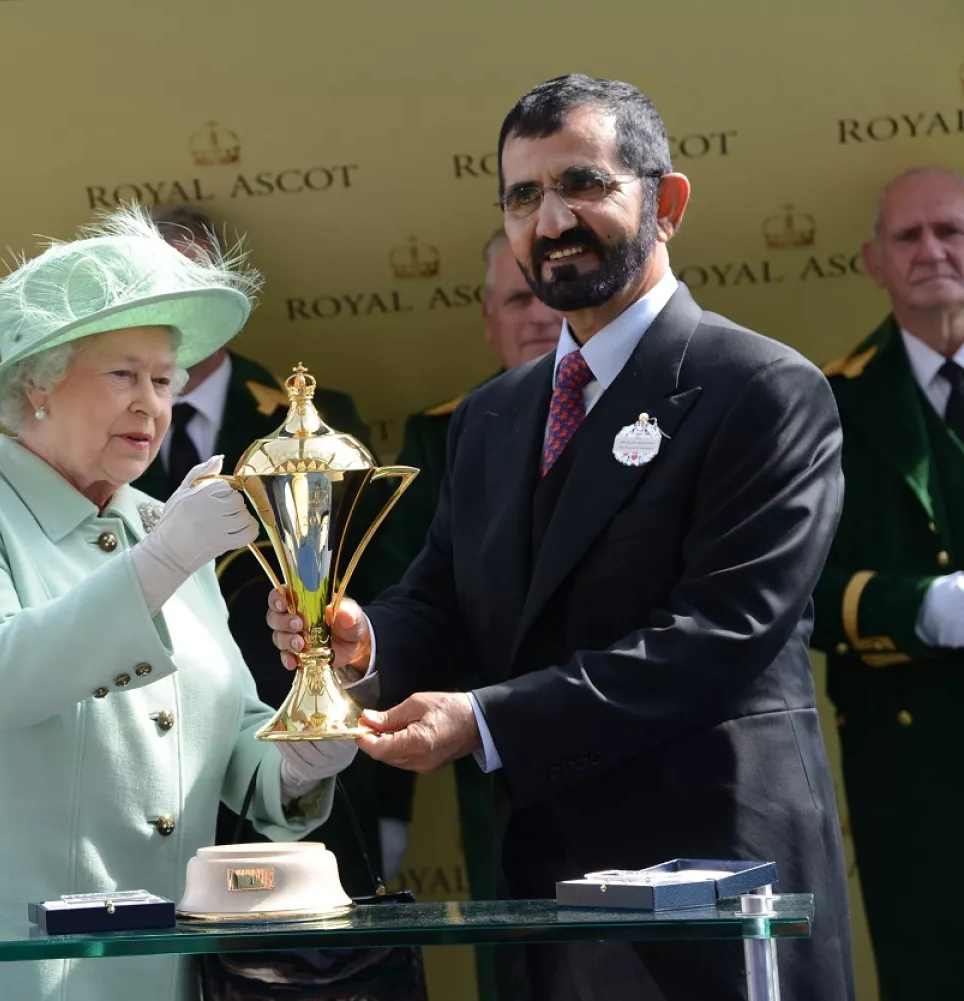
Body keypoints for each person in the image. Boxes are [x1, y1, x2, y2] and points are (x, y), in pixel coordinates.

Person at [268, 73, 853, 1001]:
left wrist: (488, 719)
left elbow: (723, 632)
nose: (551, 221)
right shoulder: (493, 416)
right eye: (523, 195)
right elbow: (443, 597)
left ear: (666, 203)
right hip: (541, 895)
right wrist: (363, 643)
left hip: (711, 893)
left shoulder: (765, 390)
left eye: (582, 184)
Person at [0, 206, 356, 1001]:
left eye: (165, 381)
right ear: (37, 381)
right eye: (122, 375)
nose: (151, 404)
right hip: (6, 975)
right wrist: (165, 556)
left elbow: (234, 739)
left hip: (163, 972)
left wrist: (304, 758)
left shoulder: (159, 522)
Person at [132, 203, 397, 895]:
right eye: (150, 285)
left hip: (302, 785)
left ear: (228, 299)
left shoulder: (318, 425)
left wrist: (392, 800)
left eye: (190, 282)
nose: (173, 304)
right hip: (157, 794)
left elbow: (378, 613)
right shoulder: (104, 444)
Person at [357, 227, 562, 1000]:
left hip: (629, 755)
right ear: (487, 317)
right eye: (518, 298)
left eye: (549, 293)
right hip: (493, 767)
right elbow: (419, 599)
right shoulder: (452, 430)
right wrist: (363, 640)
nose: (539, 314)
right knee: (515, 968)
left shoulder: (655, 413)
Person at [812, 166, 964, 1001]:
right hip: (909, 772)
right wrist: (921, 609)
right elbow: (793, 587)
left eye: (951, 231)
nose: (932, 251)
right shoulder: (827, 404)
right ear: (874, 261)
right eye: (908, 236)